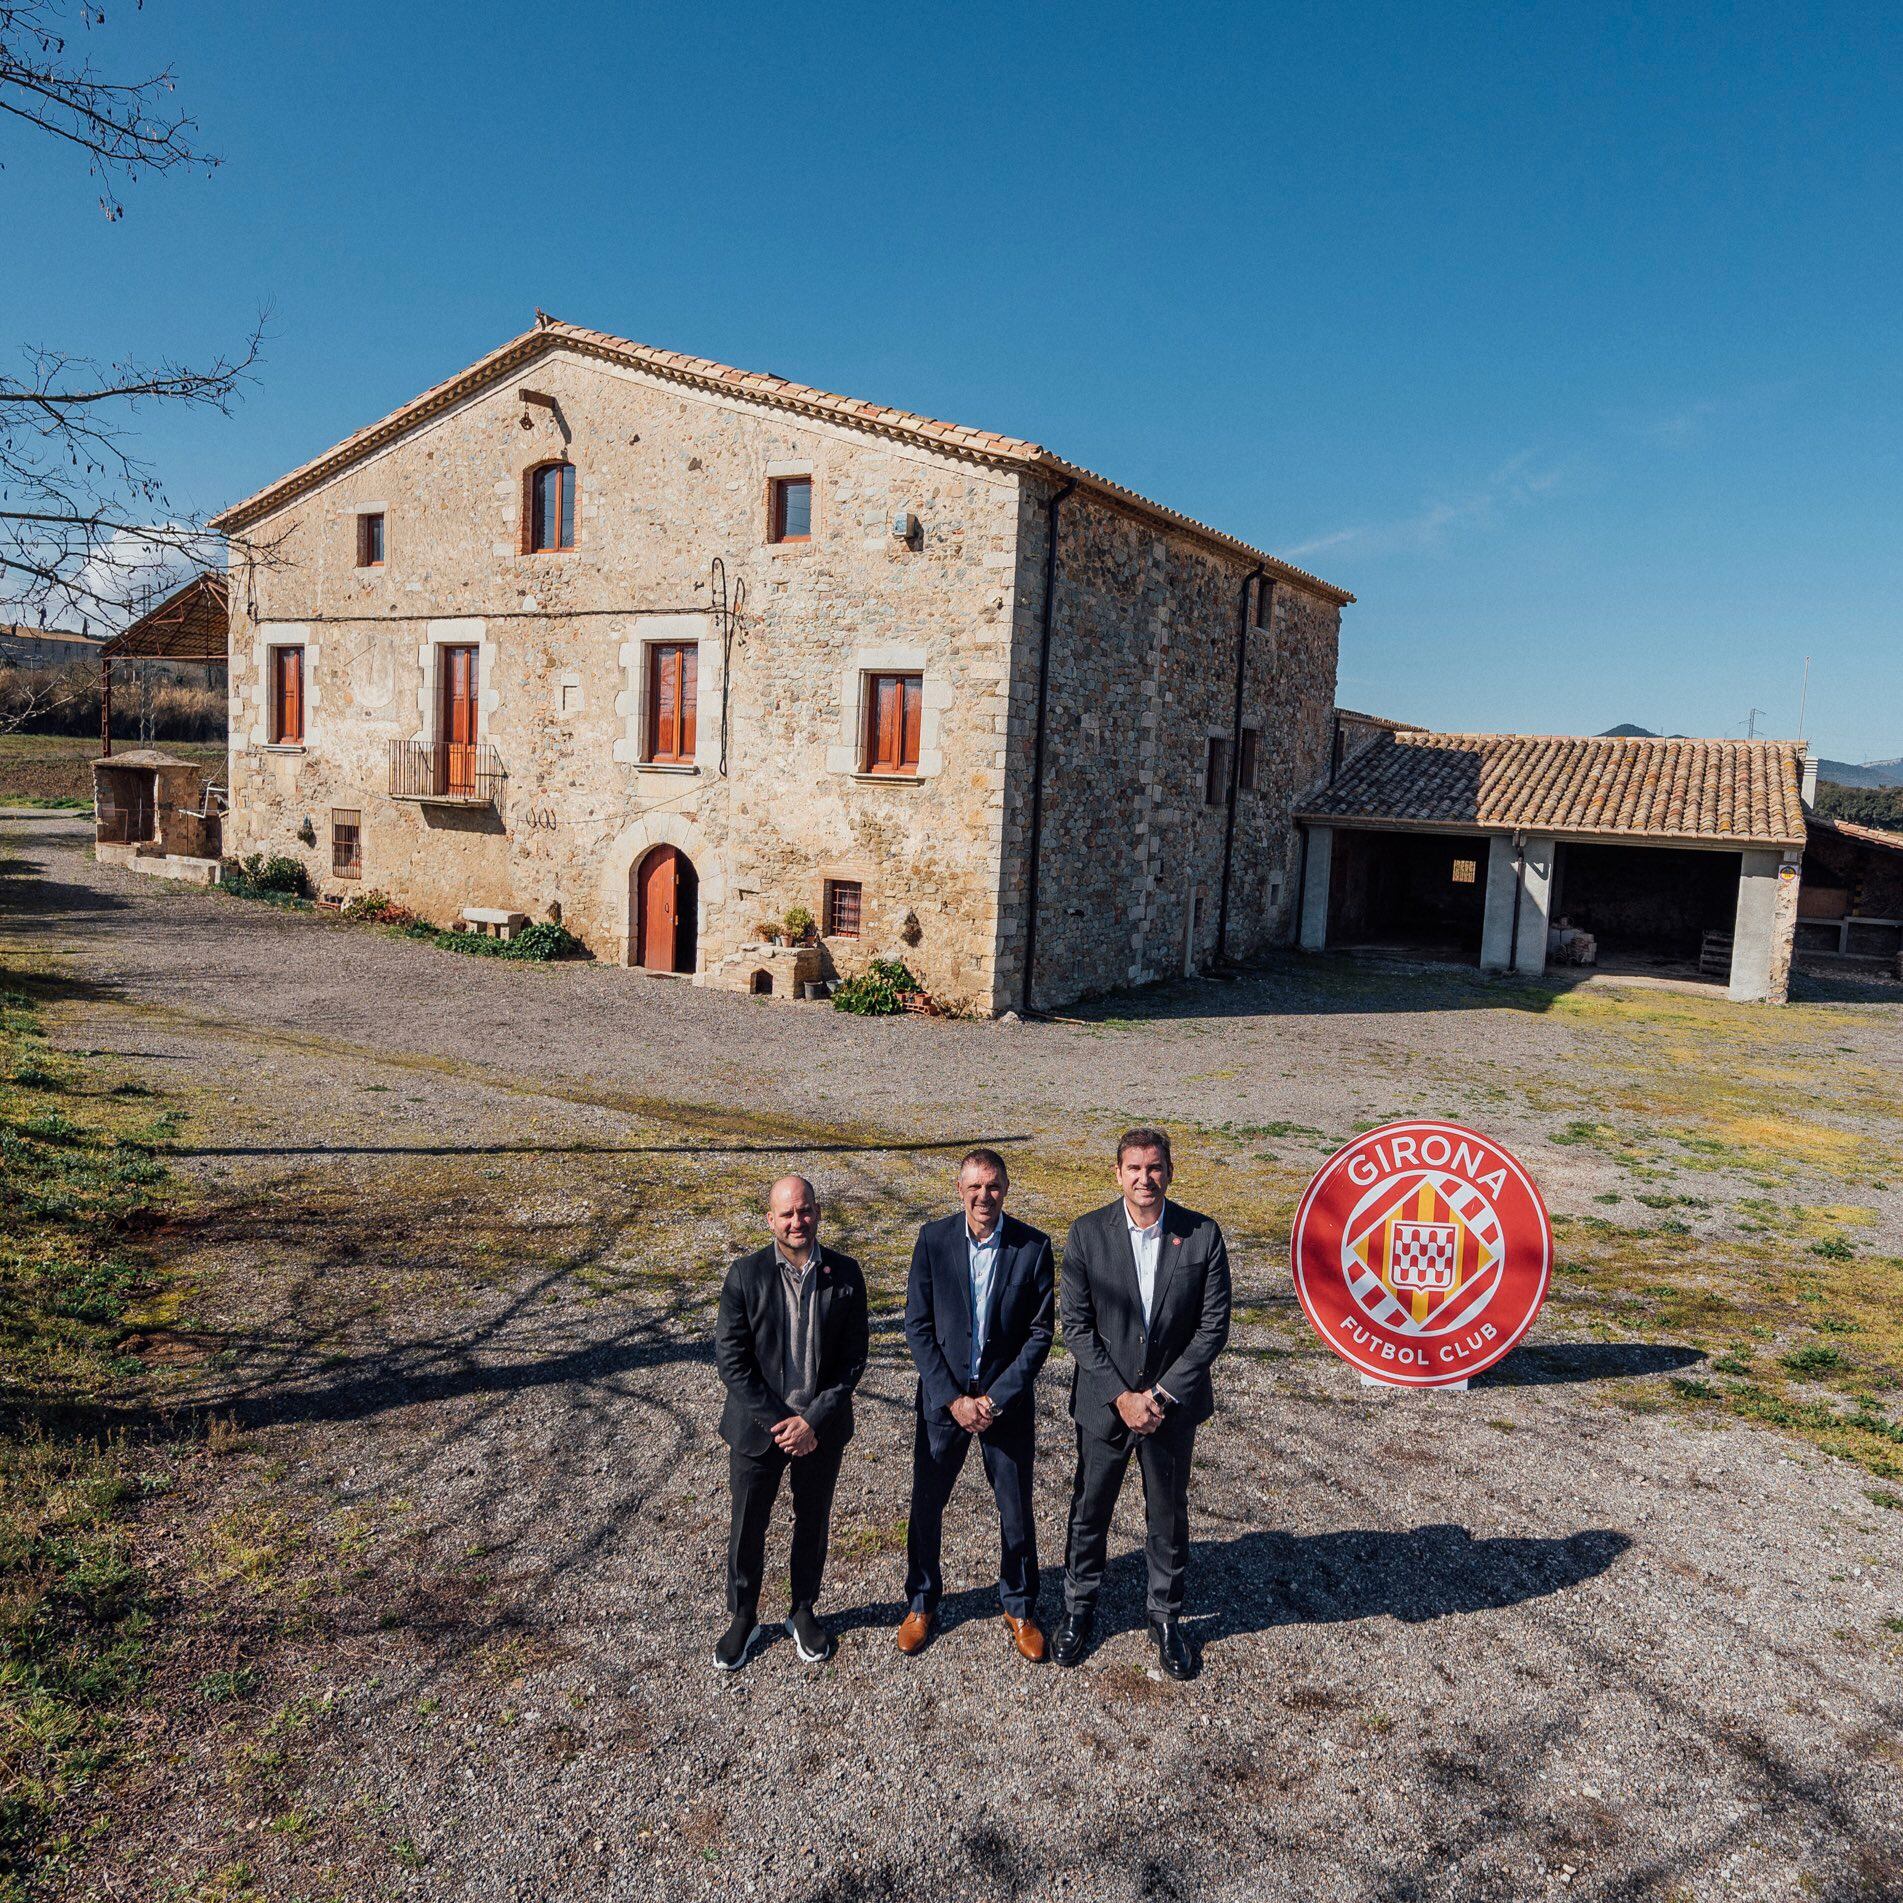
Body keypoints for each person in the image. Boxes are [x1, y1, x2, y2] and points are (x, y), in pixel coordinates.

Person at [1053, 1127, 1231, 1681]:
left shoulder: (1201, 1235)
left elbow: (1211, 1328)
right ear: (1118, 1174)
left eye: (1154, 1168)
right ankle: (1079, 1609)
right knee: (1090, 1512)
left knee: (1168, 1516)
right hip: (1106, 1406)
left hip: (1170, 1408)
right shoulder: (1087, 1234)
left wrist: (1157, 1394)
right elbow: (1077, 1327)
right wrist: (1122, 1396)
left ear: (1169, 1171)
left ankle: (1166, 1617)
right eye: (1134, 1169)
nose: (1144, 1178)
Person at [897, 1148, 1055, 1660]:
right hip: (945, 1405)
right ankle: (921, 1602)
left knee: (1015, 1510)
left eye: (993, 1186)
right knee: (927, 1506)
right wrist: (952, 1399)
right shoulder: (933, 1240)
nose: (983, 1196)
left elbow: (1039, 1334)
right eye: (974, 1187)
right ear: (959, 1189)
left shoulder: (1033, 1247)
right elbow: (918, 1328)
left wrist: (994, 1398)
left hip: (1002, 1406)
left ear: (1006, 1188)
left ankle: (1020, 1604)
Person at [713, 1173, 868, 1671]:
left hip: (820, 1429)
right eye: (787, 1214)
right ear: (770, 1219)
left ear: (818, 1212)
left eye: (805, 1211)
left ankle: (802, 1610)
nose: (797, 1221)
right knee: (748, 1524)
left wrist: (813, 1420)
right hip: (760, 1428)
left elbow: (852, 1360)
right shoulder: (746, 1275)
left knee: (812, 1521)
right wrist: (784, 1421)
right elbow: (732, 1363)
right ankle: (744, 1616)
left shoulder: (845, 1274)